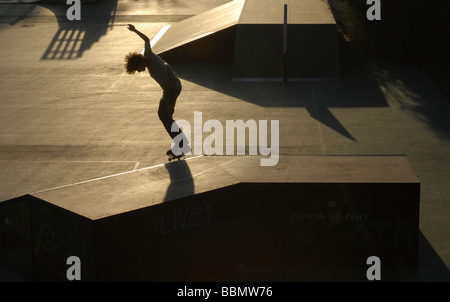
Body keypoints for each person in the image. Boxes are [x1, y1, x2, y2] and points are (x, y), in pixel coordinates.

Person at [125, 24, 188, 157]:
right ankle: (181, 144)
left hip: (172, 89)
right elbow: (147, 40)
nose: (139, 71)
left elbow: (167, 88)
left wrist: (168, 105)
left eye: (138, 69)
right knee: (163, 115)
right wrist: (135, 30)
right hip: (172, 86)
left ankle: (181, 146)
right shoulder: (147, 54)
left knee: (165, 116)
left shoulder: (156, 69)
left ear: (140, 64)